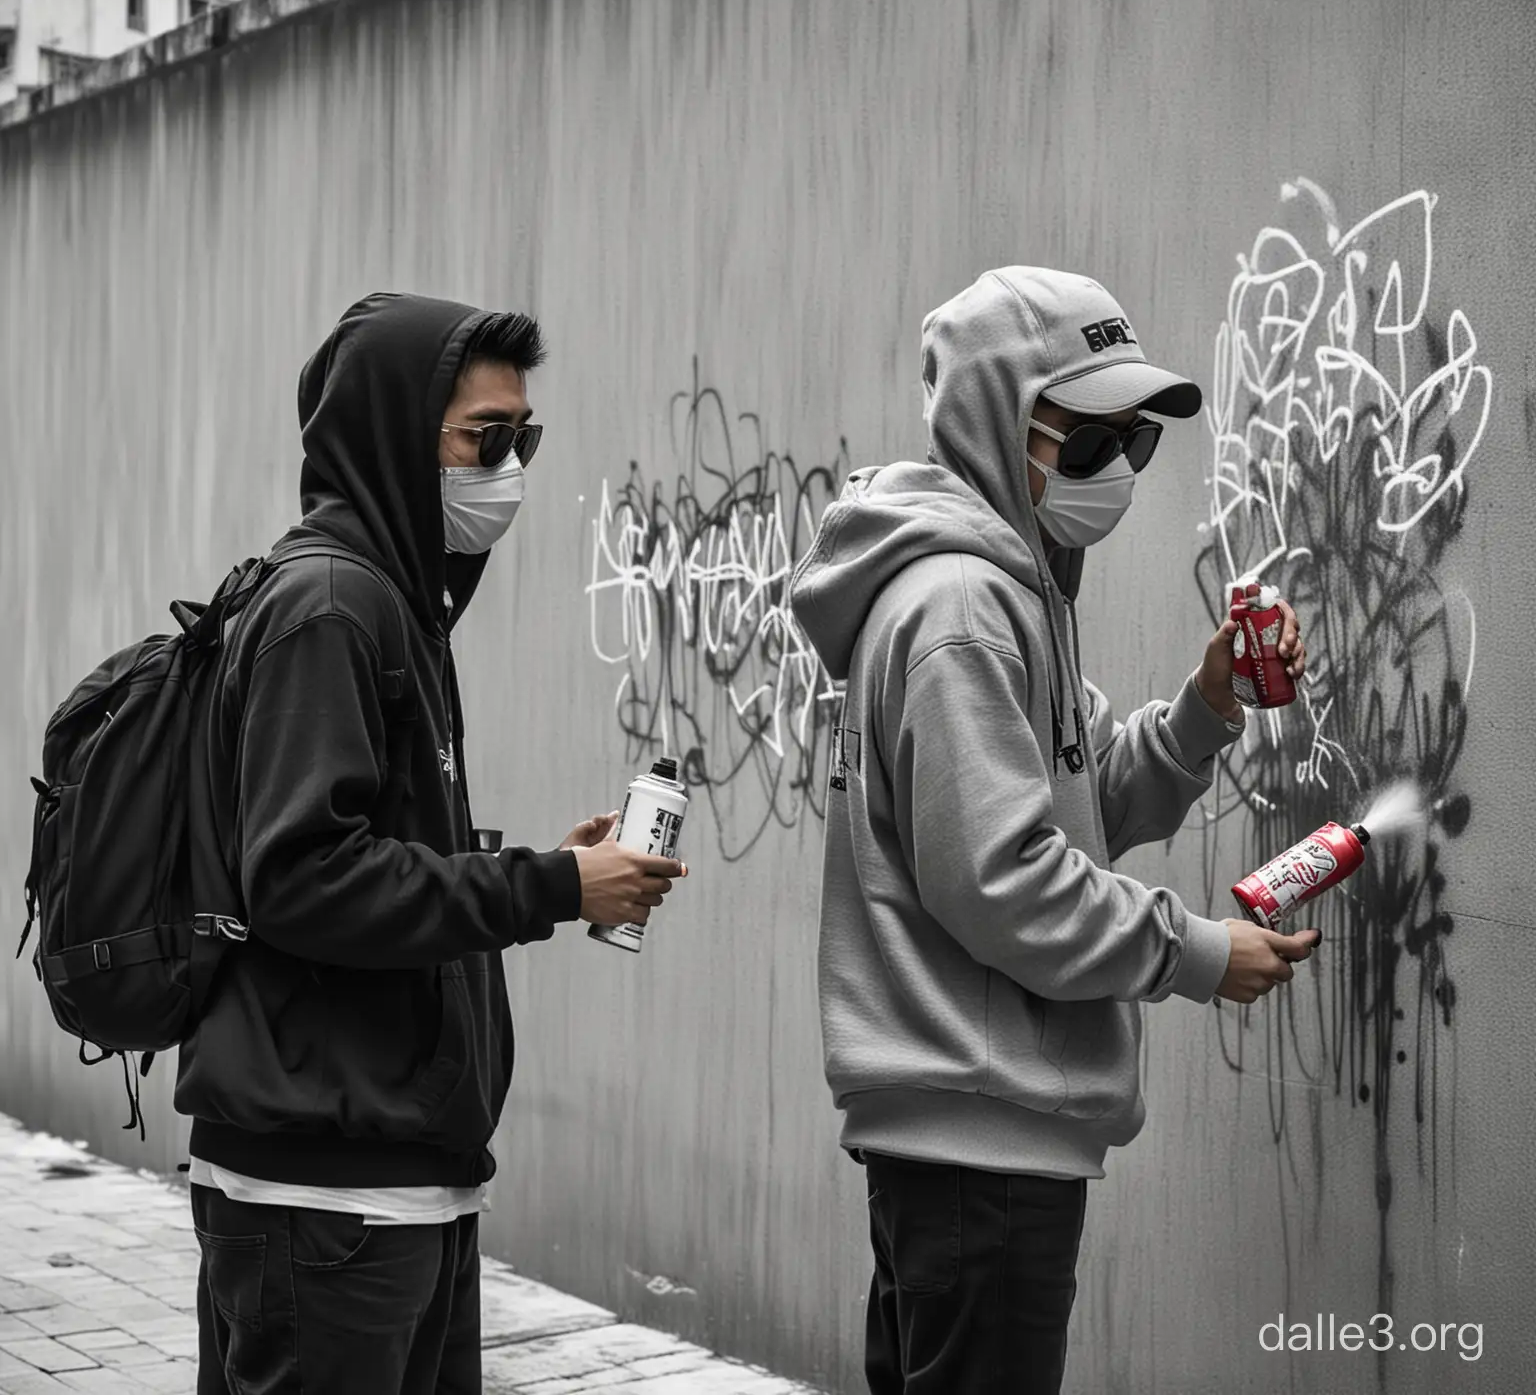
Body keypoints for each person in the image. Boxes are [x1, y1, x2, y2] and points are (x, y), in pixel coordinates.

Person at [788, 267, 1320, 1395]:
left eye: (1135, 443)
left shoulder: (1017, 592)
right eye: (1085, 444)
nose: (1117, 473)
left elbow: (1075, 809)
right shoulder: (963, 609)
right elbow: (1006, 881)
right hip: (980, 1145)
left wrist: (1206, 706)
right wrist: (1198, 952)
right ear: (995, 423)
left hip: (971, 1142)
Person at [177, 292, 686, 1394]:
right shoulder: (331, 608)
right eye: (484, 438)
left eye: (523, 439)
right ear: (390, 435)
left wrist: (549, 874)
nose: (509, 466)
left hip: (398, 1184)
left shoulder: (396, 605)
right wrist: (549, 886)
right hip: (328, 1200)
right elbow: (304, 880)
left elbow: (366, 854)